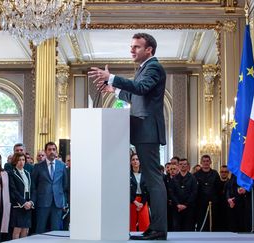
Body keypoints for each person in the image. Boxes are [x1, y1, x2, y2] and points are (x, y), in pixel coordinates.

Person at [88, 32, 167, 240]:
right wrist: (113, 89)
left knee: (154, 180)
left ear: (148, 49)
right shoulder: (143, 69)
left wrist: (112, 77)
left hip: (147, 130)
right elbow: (134, 95)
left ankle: (159, 229)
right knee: (152, 180)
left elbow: (141, 88)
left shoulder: (153, 67)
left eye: (136, 47)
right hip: (141, 130)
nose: (132, 50)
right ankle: (155, 228)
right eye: (131, 47)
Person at [31, 142, 68, 233]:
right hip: (42, 202)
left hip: (57, 202)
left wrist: (63, 201)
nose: (52, 151)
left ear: (56, 151)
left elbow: (64, 185)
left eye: (54, 149)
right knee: (40, 228)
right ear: (46, 151)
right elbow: (33, 185)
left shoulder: (62, 165)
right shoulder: (38, 166)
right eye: (49, 149)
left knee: (56, 230)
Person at [8, 152, 33, 239]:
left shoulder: (28, 173)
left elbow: (32, 189)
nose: (21, 162)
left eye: (23, 160)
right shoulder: (11, 173)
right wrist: (23, 203)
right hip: (18, 204)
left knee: (25, 230)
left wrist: (30, 202)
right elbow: (13, 190)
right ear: (15, 161)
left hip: (28, 204)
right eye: (19, 160)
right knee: (17, 230)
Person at [168, 158, 197, 231]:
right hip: (177, 208)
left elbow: (194, 193)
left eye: (184, 164)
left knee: (188, 229)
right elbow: (171, 193)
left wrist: (185, 205)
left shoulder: (193, 178)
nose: (183, 166)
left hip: (189, 208)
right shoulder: (174, 179)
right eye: (180, 164)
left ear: (188, 166)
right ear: (178, 166)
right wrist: (178, 204)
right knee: (177, 229)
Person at [129, 153, 150, 232]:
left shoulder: (145, 174)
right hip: (132, 200)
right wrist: (135, 202)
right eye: (133, 159)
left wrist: (142, 203)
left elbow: (147, 190)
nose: (135, 161)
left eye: (137, 159)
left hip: (143, 201)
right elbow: (126, 191)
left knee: (145, 222)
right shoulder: (127, 174)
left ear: (140, 161)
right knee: (131, 223)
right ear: (131, 162)